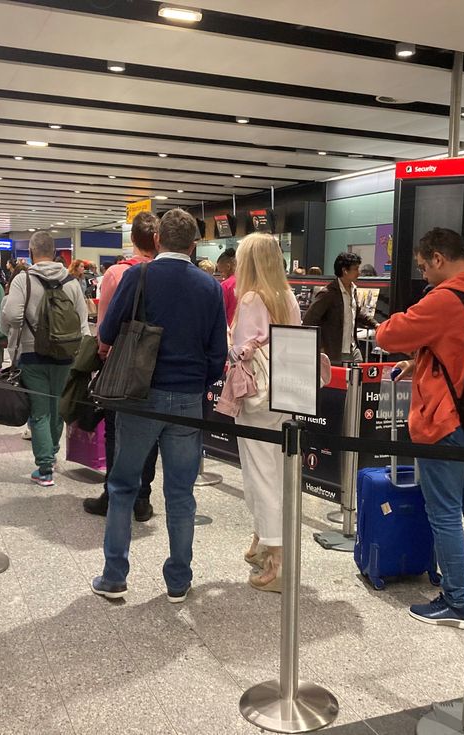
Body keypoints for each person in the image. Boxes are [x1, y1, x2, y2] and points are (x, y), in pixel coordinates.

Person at [92, 209, 227, 603]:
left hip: (139, 396)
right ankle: (178, 581)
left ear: (156, 240)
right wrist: (196, 385)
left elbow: (107, 331)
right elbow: (217, 353)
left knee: (123, 486)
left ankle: (114, 576)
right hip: (187, 401)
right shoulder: (209, 287)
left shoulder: (138, 276)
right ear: (193, 244)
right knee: (181, 493)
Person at [376, 228, 464, 628]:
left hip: (444, 421)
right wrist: (421, 361)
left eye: (423, 266)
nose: (424, 275)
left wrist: (415, 319)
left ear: (438, 258)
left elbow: (388, 334)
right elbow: (463, 352)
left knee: (444, 512)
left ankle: (458, 600)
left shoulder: (445, 298)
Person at [228, 233, 302, 592]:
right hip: (286, 389)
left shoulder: (251, 298)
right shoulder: (287, 296)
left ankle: (276, 558)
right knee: (276, 469)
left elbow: (240, 351)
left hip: (256, 395)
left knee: (260, 473)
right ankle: (264, 539)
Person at [83, 210, 161, 522]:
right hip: (154, 365)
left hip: (121, 364)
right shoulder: (163, 271)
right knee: (149, 434)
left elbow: (106, 324)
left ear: (133, 239)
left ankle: (112, 494)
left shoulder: (117, 273)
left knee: (116, 431)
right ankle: (142, 498)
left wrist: (103, 351)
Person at [0, 231, 90, 487]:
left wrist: (33, 325)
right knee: (57, 408)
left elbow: (13, 316)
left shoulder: (23, 279)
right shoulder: (71, 282)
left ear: (31, 253)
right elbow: (82, 322)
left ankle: (45, 467)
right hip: (65, 354)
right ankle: (52, 452)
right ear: (55, 253)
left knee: (39, 412)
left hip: (33, 354)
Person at [303, 252, 378, 364]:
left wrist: (375, 324)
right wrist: (321, 346)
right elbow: (309, 320)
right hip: (334, 352)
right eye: (355, 269)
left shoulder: (353, 289)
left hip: (352, 347)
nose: (359, 273)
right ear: (345, 271)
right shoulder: (328, 293)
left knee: (359, 371)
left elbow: (356, 312)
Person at [216, 247, 237, 325]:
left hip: (230, 327)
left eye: (221, 272)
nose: (221, 275)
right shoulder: (246, 281)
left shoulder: (225, 286)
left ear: (228, 266)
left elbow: (221, 312)